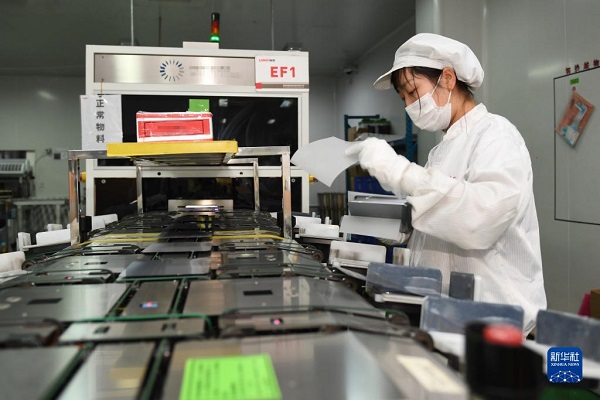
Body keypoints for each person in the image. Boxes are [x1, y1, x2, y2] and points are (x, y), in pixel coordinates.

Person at [345, 33, 546, 334]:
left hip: (496, 321)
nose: (410, 105)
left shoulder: (497, 135)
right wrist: (403, 227)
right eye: (404, 99)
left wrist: (398, 171)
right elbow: (441, 214)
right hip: (450, 318)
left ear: (448, 78)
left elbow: (479, 219)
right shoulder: (440, 151)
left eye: (413, 92)